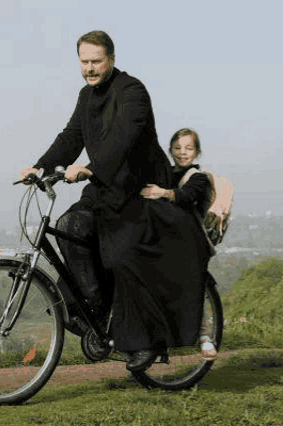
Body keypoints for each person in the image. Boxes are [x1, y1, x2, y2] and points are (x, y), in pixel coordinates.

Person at [18, 31, 211, 371]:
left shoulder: (132, 91)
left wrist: (90, 169)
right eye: (84, 62)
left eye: (96, 61)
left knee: (121, 256)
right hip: (105, 187)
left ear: (112, 59)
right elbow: (71, 136)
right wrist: (41, 166)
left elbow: (124, 138)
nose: (89, 69)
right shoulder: (86, 95)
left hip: (139, 189)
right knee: (69, 226)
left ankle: (142, 341)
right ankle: (97, 310)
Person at [140, 128, 217, 359]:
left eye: (189, 148)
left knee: (193, 289)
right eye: (177, 148)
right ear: (170, 150)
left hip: (191, 244)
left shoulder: (199, 178)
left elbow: (186, 196)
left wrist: (161, 193)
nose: (183, 153)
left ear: (198, 152)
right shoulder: (165, 173)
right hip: (167, 240)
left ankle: (204, 338)